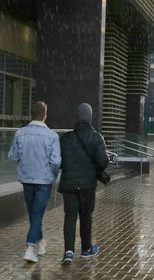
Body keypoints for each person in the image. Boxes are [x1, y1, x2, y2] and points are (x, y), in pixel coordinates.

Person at [8, 101, 61, 263]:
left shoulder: (20, 133)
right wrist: (53, 174)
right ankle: (30, 248)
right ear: (45, 115)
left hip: (26, 179)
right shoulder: (52, 136)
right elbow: (56, 161)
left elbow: (12, 156)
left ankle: (41, 241)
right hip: (44, 181)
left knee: (33, 214)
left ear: (31, 114)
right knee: (37, 214)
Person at [59, 103, 109, 265]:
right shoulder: (96, 137)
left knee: (70, 216)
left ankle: (68, 252)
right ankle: (86, 249)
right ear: (89, 117)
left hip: (69, 185)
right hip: (87, 185)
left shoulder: (65, 139)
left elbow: (60, 162)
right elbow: (103, 162)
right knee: (86, 216)